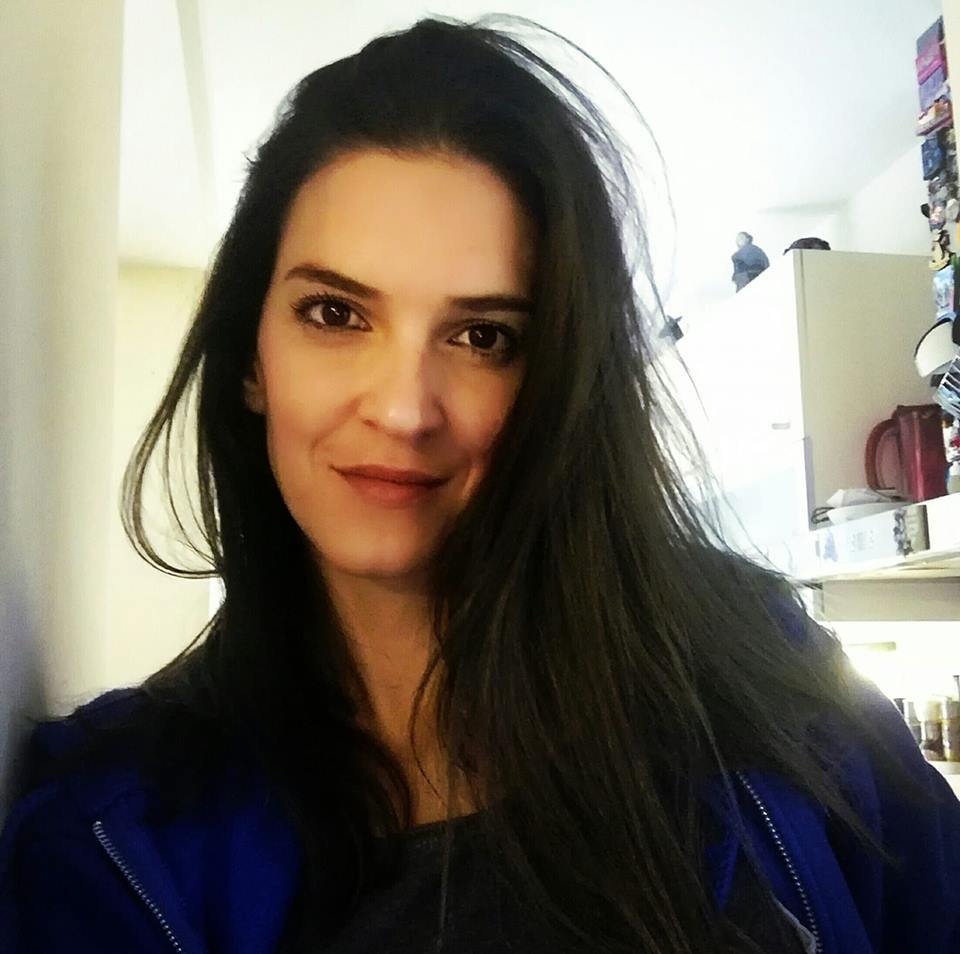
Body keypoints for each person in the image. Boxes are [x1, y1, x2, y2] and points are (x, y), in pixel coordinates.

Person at [1, 15, 959, 954]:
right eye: (334, 314)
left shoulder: (761, 663)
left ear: (559, 379)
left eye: (483, 336)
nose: (403, 409)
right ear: (252, 358)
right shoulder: (112, 836)